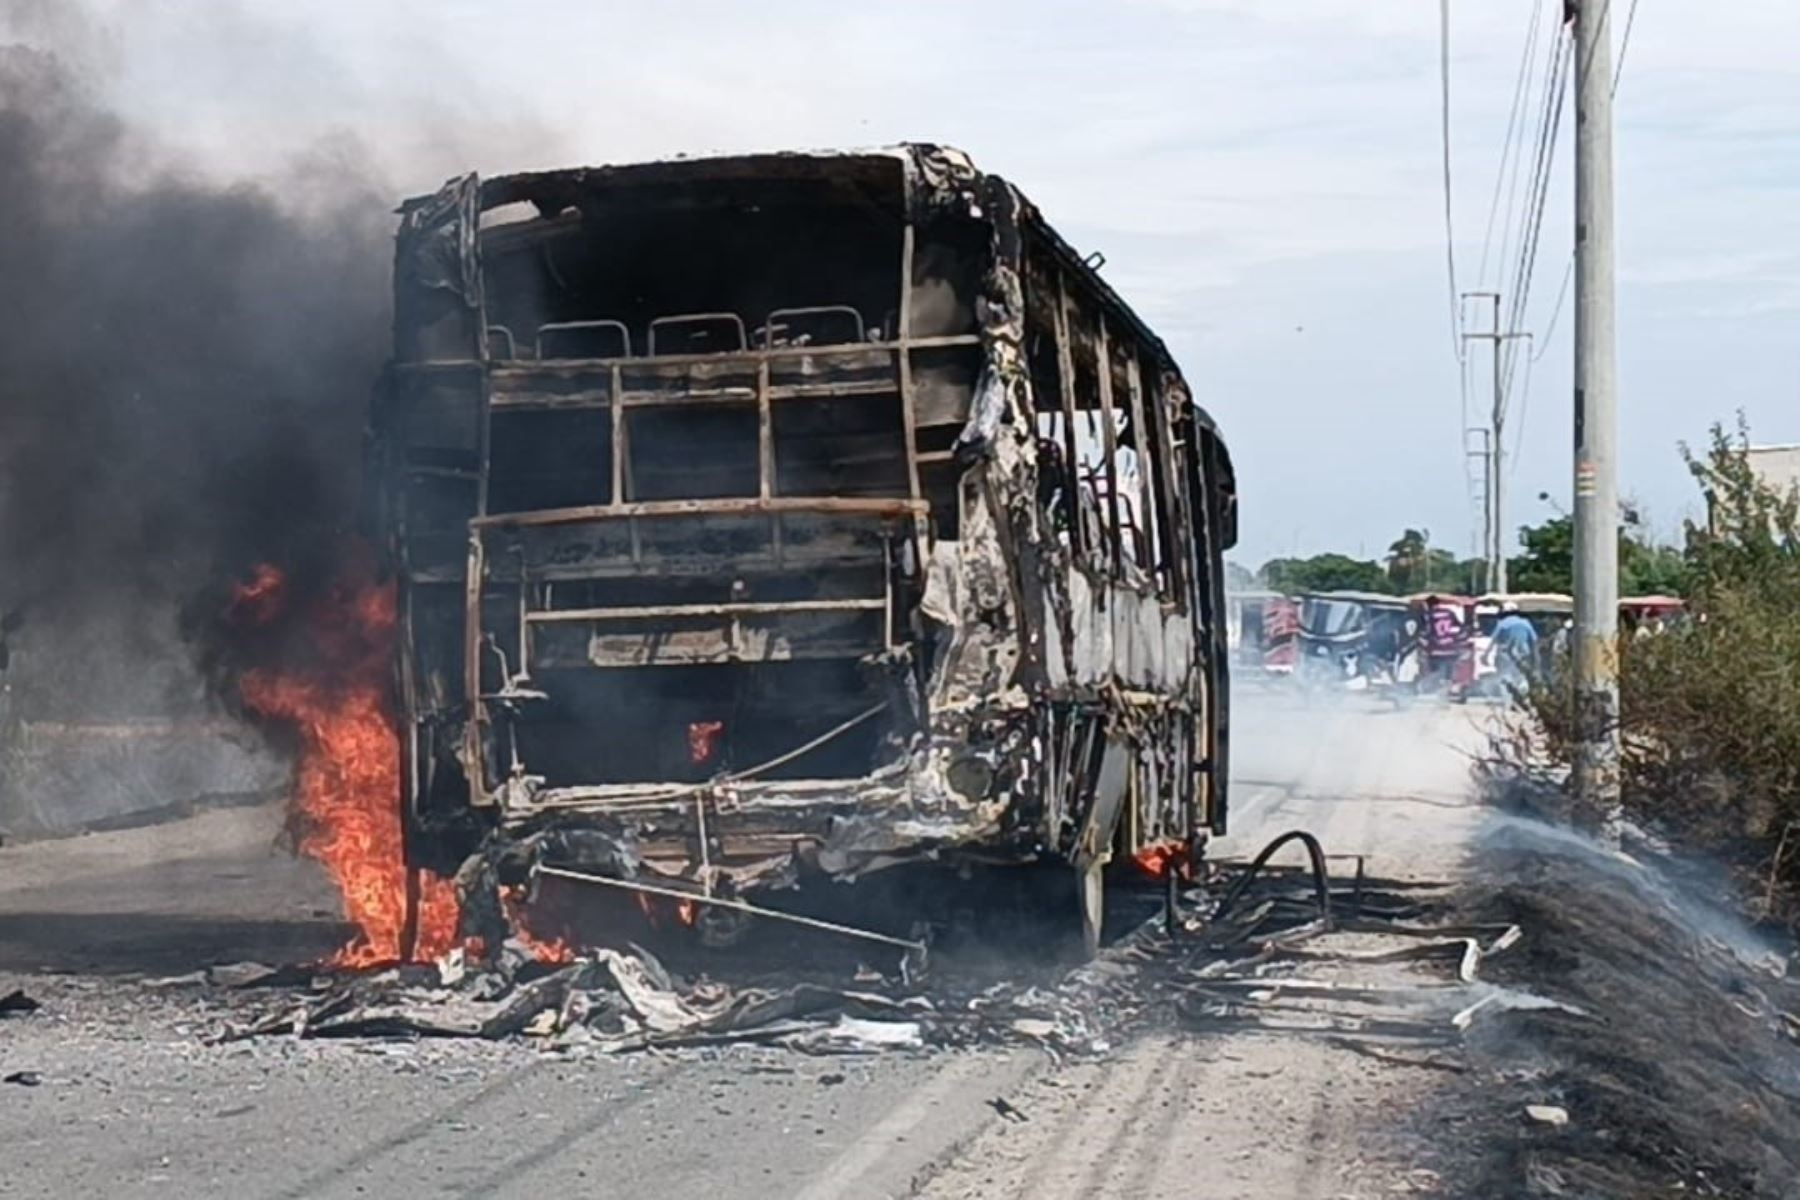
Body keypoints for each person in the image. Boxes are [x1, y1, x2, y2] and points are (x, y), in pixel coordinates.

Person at [1487, 600, 1540, 693]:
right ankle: (1522, 695)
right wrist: (1536, 659)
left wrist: (1485, 655)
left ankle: (1507, 698)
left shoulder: (1502, 623)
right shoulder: (1526, 623)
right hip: (1524, 655)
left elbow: (1493, 641)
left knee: (1505, 676)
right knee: (1521, 676)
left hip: (1506, 656)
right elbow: (1534, 641)